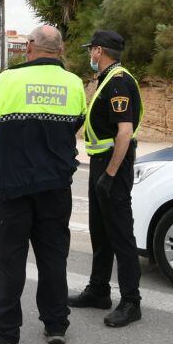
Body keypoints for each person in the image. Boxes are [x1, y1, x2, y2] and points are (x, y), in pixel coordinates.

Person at [0, 25, 86, 344]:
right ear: (60, 50)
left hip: (13, 186)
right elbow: (75, 124)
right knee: (53, 257)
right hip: (55, 186)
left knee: (11, 260)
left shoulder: (9, 79)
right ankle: (56, 324)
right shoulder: (74, 83)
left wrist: (10, 135)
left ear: (31, 47)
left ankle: (6, 332)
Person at [69, 29, 144, 327]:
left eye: (92, 50)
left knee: (120, 233)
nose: (90, 54)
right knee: (100, 231)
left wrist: (111, 175)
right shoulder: (107, 80)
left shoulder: (118, 82)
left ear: (99, 51)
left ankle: (131, 301)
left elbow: (124, 133)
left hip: (115, 165)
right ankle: (99, 290)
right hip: (101, 162)